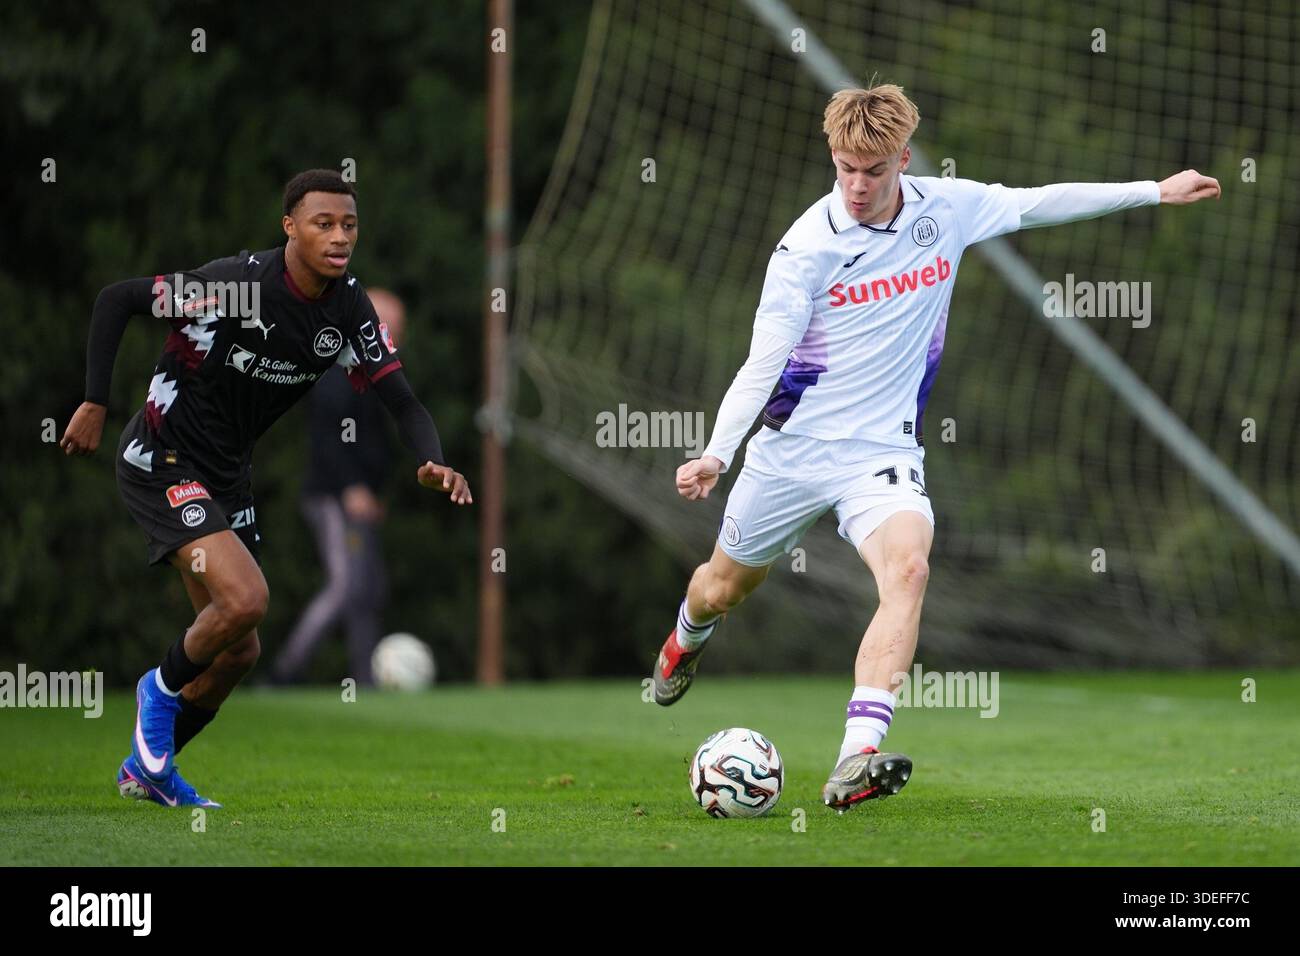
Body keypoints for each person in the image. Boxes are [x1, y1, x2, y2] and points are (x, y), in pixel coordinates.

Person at [651, 85, 1220, 812]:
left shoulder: (944, 208)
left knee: (911, 569)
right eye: (845, 169)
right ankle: (685, 639)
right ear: (833, 159)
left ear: (903, 160)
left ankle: (856, 760)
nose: (858, 186)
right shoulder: (803, 251)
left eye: (874, 171)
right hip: (790, 454)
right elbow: (762, 361)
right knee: (722, 588)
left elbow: (1036, 202)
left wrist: (1153, 192)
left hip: (882, 454)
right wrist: (717, 453)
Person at [60, 169, 472, 808]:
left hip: (226, 476)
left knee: (237, 648)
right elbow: (117, 299)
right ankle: (157, 692)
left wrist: (433, 459)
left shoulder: (350, 309)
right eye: (323, 223)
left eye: (350, 225)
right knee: (247, 599)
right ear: (289, 227)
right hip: (161, 458)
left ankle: (148, 771)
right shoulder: (236, 286)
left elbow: (403, 398)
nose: (340, 237)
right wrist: (93, 402)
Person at [270, 289, 410, 686]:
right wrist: (351, 488)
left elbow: (374, 443)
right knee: (346, 586)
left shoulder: (379, 373)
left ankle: (365, 680)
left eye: (399, 330)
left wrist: (372, 490)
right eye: (388, 327)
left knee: (368, 590)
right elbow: (327, 435)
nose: (394, 337)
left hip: (358, 500)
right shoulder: (338, 369)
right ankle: (284, 673)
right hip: (333, 499)